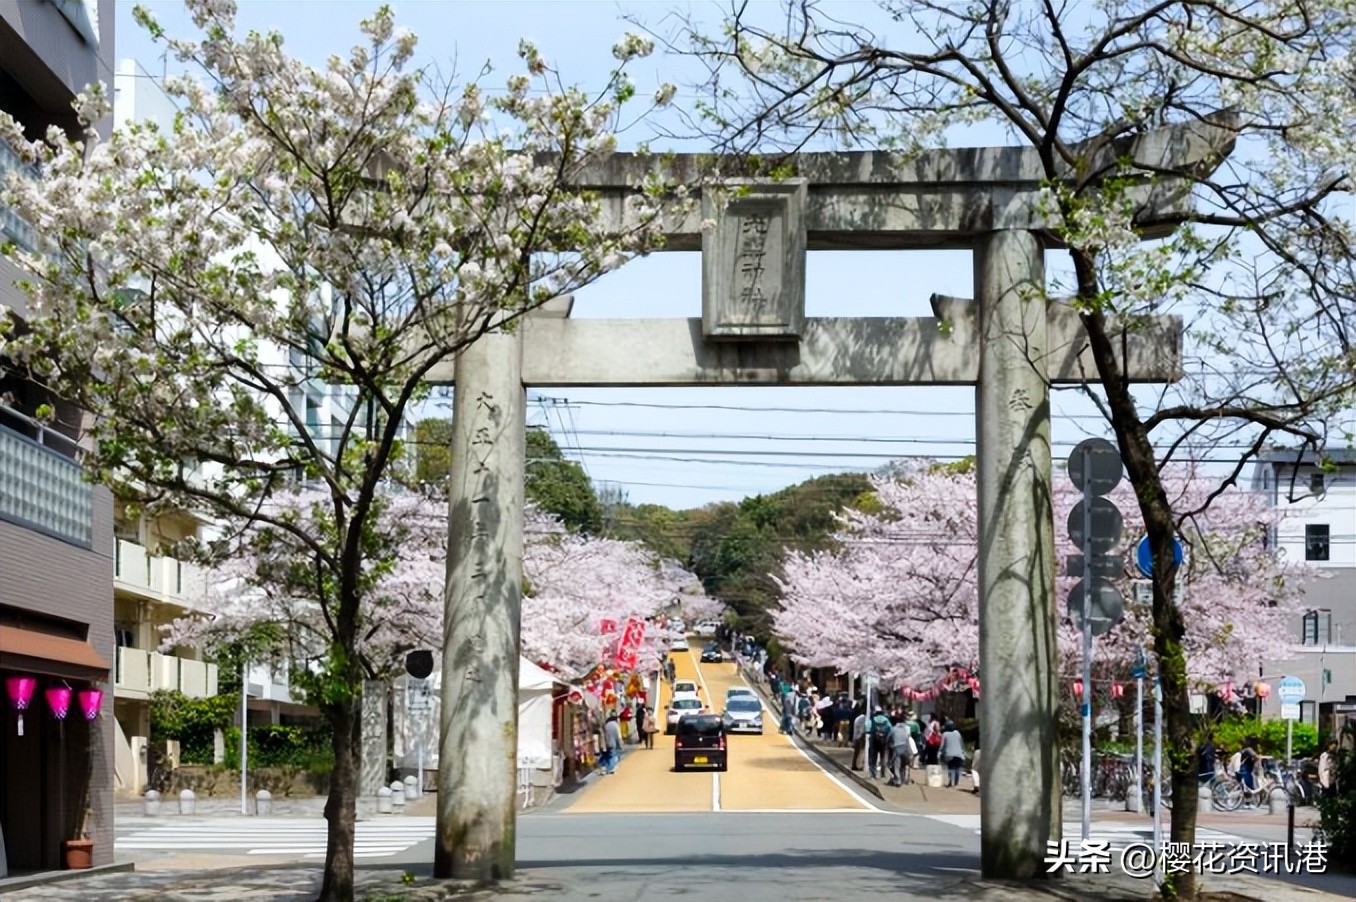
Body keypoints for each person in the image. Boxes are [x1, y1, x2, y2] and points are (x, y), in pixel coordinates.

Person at [887, 716, 917, 786]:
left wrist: (888, 745)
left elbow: (888, 738)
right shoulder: (904, 730)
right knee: (903, 765)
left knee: (897, 765)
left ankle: (898, 781)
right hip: (905, 748)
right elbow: (907, 740)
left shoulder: (893, 729)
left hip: (897, 748)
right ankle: (902, 778)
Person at [867, 709, 892, 779]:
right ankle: (883, 774)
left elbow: (868, 728)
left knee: (873, 758)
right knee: (883, 757)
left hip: (874, 741)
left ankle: (873, 774)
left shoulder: (873, 719)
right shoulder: (886, 720)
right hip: (883, 742)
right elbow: (890, 729)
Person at [940, 720, 966, 787]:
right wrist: (963, 752)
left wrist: (940, 752)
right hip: (959, 754)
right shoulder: (957, 733)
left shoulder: (945, 734)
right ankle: (956, 783)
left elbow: (942, 745)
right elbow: (961, 744)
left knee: (951, 768)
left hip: (949, 754)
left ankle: (951, 781)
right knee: (957, 768)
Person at [850, 704, 867, 770]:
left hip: (857, 737)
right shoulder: (866, 718)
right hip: (862, 737)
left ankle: (854, 765)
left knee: (856, 752)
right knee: (862, 752)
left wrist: (854, 738)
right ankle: (860, 766)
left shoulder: (857, 718)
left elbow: (855, 729)